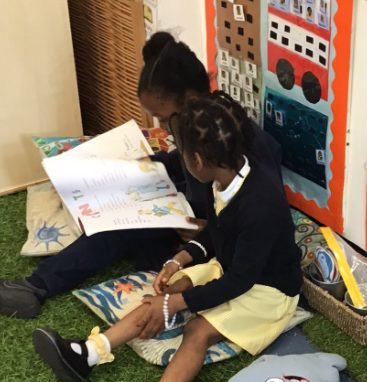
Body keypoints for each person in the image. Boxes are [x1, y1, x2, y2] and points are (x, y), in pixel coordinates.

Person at [32, 92, 302, 382]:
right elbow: (218, 232)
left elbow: (241, 281)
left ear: (197, 159)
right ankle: (88, 353)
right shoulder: (225, 177)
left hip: (269, 290)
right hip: (232, 266)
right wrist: (180, 260)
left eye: (180, 151)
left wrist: (179, 304)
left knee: (196, 329)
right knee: (166, 291)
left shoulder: (261, 203)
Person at [0, 31, 282, 319]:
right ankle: (41, 282)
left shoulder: (241, 146)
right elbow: (178, 163)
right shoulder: (197, 128)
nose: (162, 127)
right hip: (184, 214)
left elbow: (256, 218)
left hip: (215, 238)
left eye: (163, 118)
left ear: (190, 99)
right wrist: (126, 170)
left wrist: (208, 229)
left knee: (119, 232)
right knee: (120, 212)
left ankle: (37, 285)